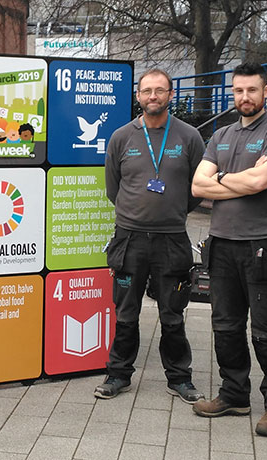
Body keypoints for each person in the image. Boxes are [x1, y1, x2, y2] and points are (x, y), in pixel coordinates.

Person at [191, 62, 267, 436]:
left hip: (260, 247)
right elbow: (197, 187)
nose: (245, 97)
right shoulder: (221, 134)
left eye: (252, 90)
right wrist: (239, 181)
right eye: (238, 90)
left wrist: (220, 179)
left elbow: (260, 180)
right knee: (225, 326)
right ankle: (234, 394)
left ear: (266, 91)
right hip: (220, 244)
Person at [95, 68, 205, 403]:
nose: (152, 96)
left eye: (159, 90)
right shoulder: (121, 137)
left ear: (171, 95)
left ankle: (180, 378)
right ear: (138, 96)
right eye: (146, 91)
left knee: (172, 313)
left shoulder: (189, 137)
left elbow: (196, 189)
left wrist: (170, 211)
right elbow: (113, 188)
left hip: (172, 238)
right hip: (130, 238)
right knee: (126, 311)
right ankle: (118, 375)